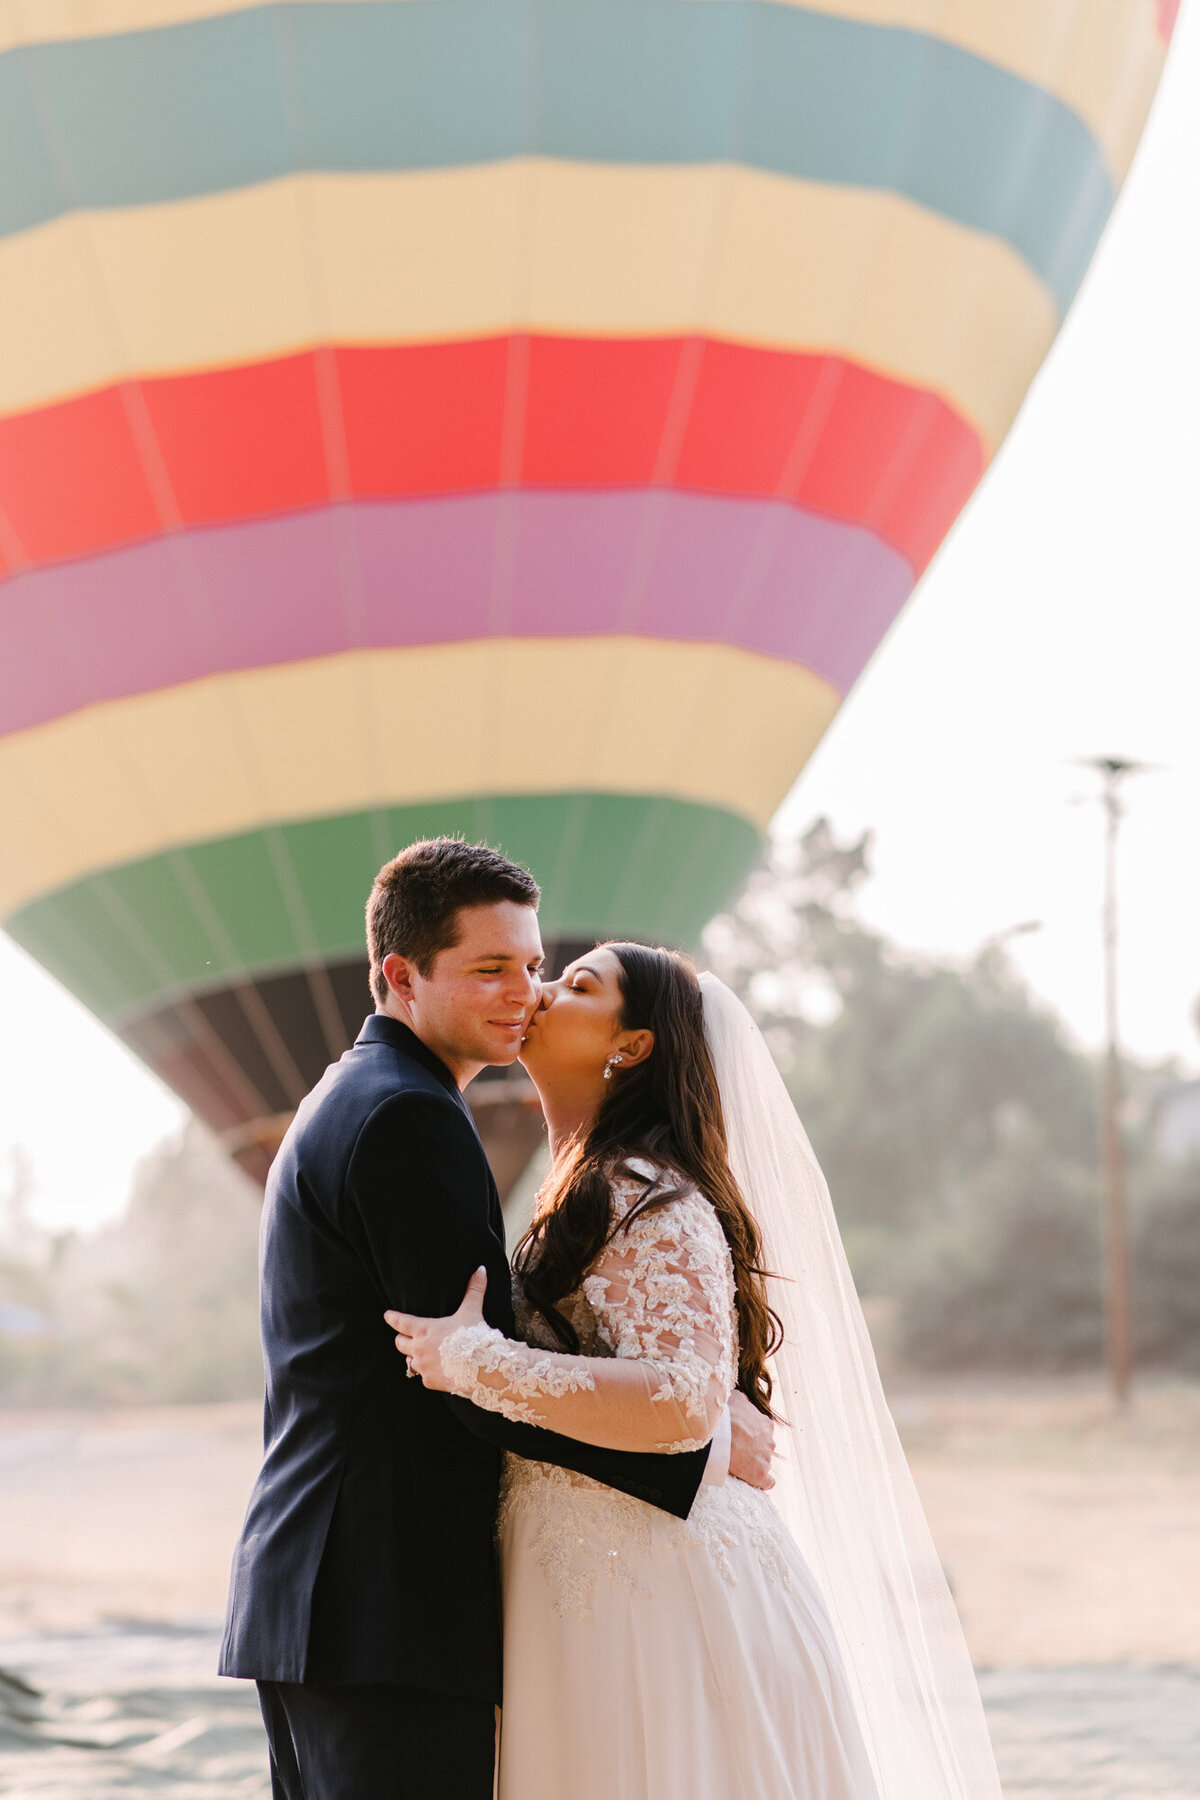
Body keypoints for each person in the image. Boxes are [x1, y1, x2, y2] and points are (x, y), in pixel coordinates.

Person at [218, 842, 773, 1800]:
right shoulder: (407, 1117)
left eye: (531, 964)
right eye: (488, 970)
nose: (524, 991)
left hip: (338, 1600)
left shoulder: (364, 1094)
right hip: (378, 1604)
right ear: (401, 974)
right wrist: (703, 1441)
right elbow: (468, 1382)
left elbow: (480, 1360)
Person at [391, 943, 1006, 1800]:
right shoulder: (581, 1189)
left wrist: (473, 1360)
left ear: (631, 1045)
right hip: (594, 1584)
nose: (537, 991)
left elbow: (681, 1398)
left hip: (662, 1595)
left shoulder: (648, 1193)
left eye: (577, 985)